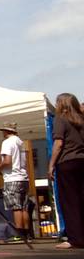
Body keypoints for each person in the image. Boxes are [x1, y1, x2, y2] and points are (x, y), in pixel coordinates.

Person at [48, 93, 84, 249]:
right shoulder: (81, 121)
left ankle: (75, 238)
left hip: (67, 162)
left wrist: (51, 165)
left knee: (69, 201)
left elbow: (58, 144)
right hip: (82, 161)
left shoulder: (60, 119)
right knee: (82, 199)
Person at [0, 122, 30, 243]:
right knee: (24, 207)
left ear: (6, 131)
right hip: (23, 177)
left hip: (12, 177)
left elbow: (7, 161)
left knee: (16, 207)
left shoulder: (7, 142)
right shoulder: (20, 142)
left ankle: (19, 234)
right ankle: (27, 234)